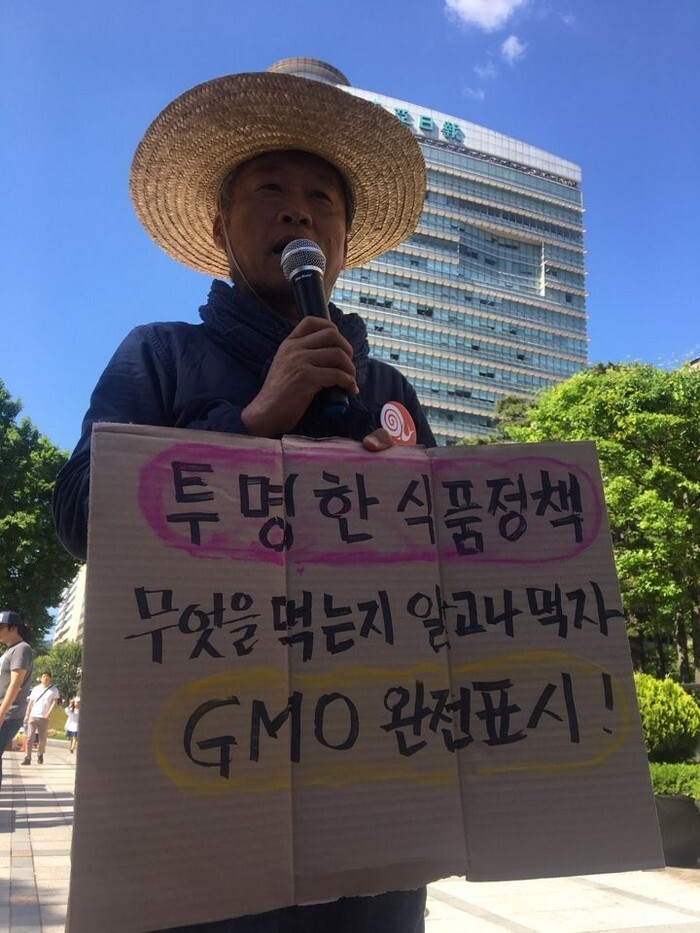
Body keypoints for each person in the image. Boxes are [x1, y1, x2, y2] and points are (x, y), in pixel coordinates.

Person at [53, 70, 435, 932]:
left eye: (322, 198)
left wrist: (406, 499)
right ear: (221, 227)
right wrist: (252, 422)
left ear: (344, 240)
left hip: (372, 801)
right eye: (270, 189)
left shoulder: (389, 390)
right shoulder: (159, 356)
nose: (299, 211)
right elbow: (79, 514)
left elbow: (451, 573)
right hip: (203, 788)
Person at [0, 611, 34, 789]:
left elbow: (15, 684)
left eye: (0, 627)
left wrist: (2, 713)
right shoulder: (8, 650)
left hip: (9, 714)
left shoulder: (22, 648)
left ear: (13, 628)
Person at [22, 670, 60, 765]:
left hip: (44, 717)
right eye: (44, 676)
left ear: (50, 678)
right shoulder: (35, 689)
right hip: (33, 716)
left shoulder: (54, 690)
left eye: (47, 676)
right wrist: (27, 714)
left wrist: (49, 713)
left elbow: (54, 702)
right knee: (29, 737)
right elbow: (30, 703)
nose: (45, 678)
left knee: (42, 739)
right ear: (41, 678)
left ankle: (40, 754)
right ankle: (27, 757)